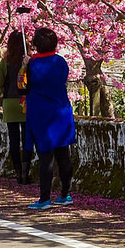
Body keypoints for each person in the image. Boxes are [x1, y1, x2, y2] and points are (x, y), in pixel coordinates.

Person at [24, 27, 76, 209]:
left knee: (45, 156)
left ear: (37, 45)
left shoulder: (32, 65)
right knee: (64, 154)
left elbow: (24, 86)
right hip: (61, 112)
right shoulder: (61, 62)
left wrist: (25, 64)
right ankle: (65, 194)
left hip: (41, 113)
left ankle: (44, 198)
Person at [0, 30, 33, 184]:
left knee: (14, 140)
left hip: (10, 102)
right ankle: (25, 172)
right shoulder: (30, 61)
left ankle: (18, 172)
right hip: (26, 102)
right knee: (27, 139)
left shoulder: (6, 61)